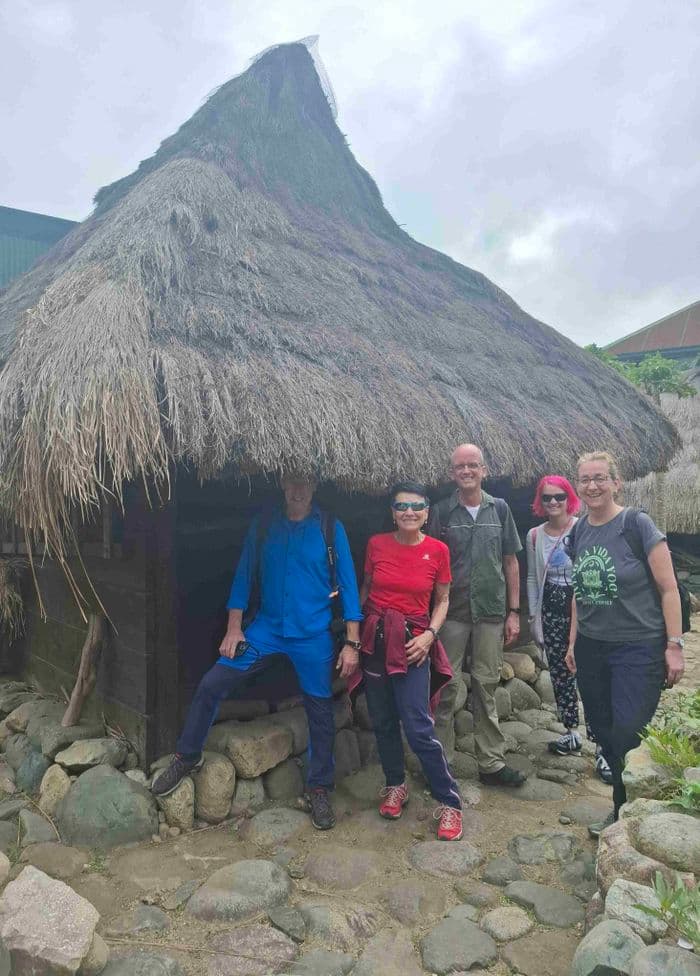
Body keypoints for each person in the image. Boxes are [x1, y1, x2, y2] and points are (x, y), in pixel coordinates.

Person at [152, 476, 363, 830]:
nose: (298, 490)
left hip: (312, 634)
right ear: (283, 484)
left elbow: (349, 585)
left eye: (305, 483)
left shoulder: (329, 527)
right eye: (293, 483)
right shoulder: (265, 524)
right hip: (265, 630)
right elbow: (244, 576)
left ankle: (319, 787)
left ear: (313, 486)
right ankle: (187, 755)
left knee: (319, 710)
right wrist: (234, 627)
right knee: (212, 683)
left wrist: (352, 643)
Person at [565, 451, 685, 836]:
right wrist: (572, 643)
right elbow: (578, 593)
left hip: (638, 645)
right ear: (578, 486)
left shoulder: (637, 524)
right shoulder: (579, 530)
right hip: (592, 646)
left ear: (617, 482)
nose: (593, 485)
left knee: (628, 731)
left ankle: (624, 813)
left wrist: (674, 645)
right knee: (603, 729)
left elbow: (669, 589)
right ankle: (623, 809)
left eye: (600, 478)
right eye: (585, 479)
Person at [357, 481, 463, 840]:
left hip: (414, 642)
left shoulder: (438, 551)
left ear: (427, 512)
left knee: (418, 726)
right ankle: (395, 783)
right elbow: (367, 590)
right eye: (402, 506)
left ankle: (449, 802)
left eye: (417, 506)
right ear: (392, 512)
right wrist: (354, 637)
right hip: (376, 639)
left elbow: (443, 600)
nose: (409, 512)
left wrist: (430, 636)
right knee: (383, 719)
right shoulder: (376, 545)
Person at [428, 444, 526, 787]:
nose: (466, 471)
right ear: (452, 473)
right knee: (446, 686)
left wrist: (514, 612)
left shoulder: (499, 510)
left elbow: (511, 562)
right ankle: (440, 762)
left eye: (472, 465)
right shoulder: (441, 512)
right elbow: (430, 564)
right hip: (451, 612)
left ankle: (492, 763)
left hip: (490, 611)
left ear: (484, 470)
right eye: (460, 466)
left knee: (486, 685)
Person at [525, 476, 611, 781]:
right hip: (551, 608)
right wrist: (534, 618)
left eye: (559, 497)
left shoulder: (583, 528)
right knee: (560, 673)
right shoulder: (535, 535)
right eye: (547, 498)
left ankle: (603, 745)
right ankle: (571, 730)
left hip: (583, 608)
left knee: (589, 674)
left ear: (569, 498)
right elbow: (534, 579)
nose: (553, 503)